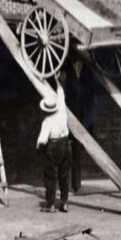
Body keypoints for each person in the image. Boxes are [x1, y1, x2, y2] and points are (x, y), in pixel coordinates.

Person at [36, 74, 70, 213]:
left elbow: (42, 139)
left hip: (53, 147)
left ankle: (50, 205)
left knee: (50, 176)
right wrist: (57, 82)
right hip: (65, 144)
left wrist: (38, 147)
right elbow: (61, 95)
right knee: (64, 175)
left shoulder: (47, 122)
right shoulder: (61, 110)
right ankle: (64, 203)